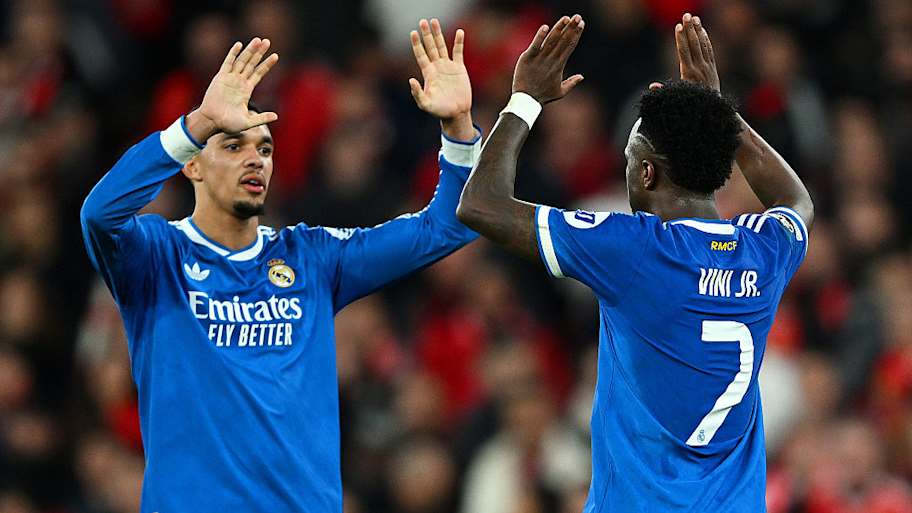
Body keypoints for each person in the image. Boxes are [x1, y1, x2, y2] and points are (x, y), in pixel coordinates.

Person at [81, 19, 479, 512]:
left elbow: (446, 227)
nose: (256, 160)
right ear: (192, 165)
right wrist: (198, 123)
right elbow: (100, 213)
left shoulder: (312, 257)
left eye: (265, 149)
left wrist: (458, 128)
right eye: (233, 145)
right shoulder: (156, 256)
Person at [457, 12, 813, 513]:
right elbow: (797, 202)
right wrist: (715, 115)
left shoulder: (634, 249)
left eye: (628, 159)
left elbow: (481, 205)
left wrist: (524, 101)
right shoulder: (763, 249)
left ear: (646, 172)